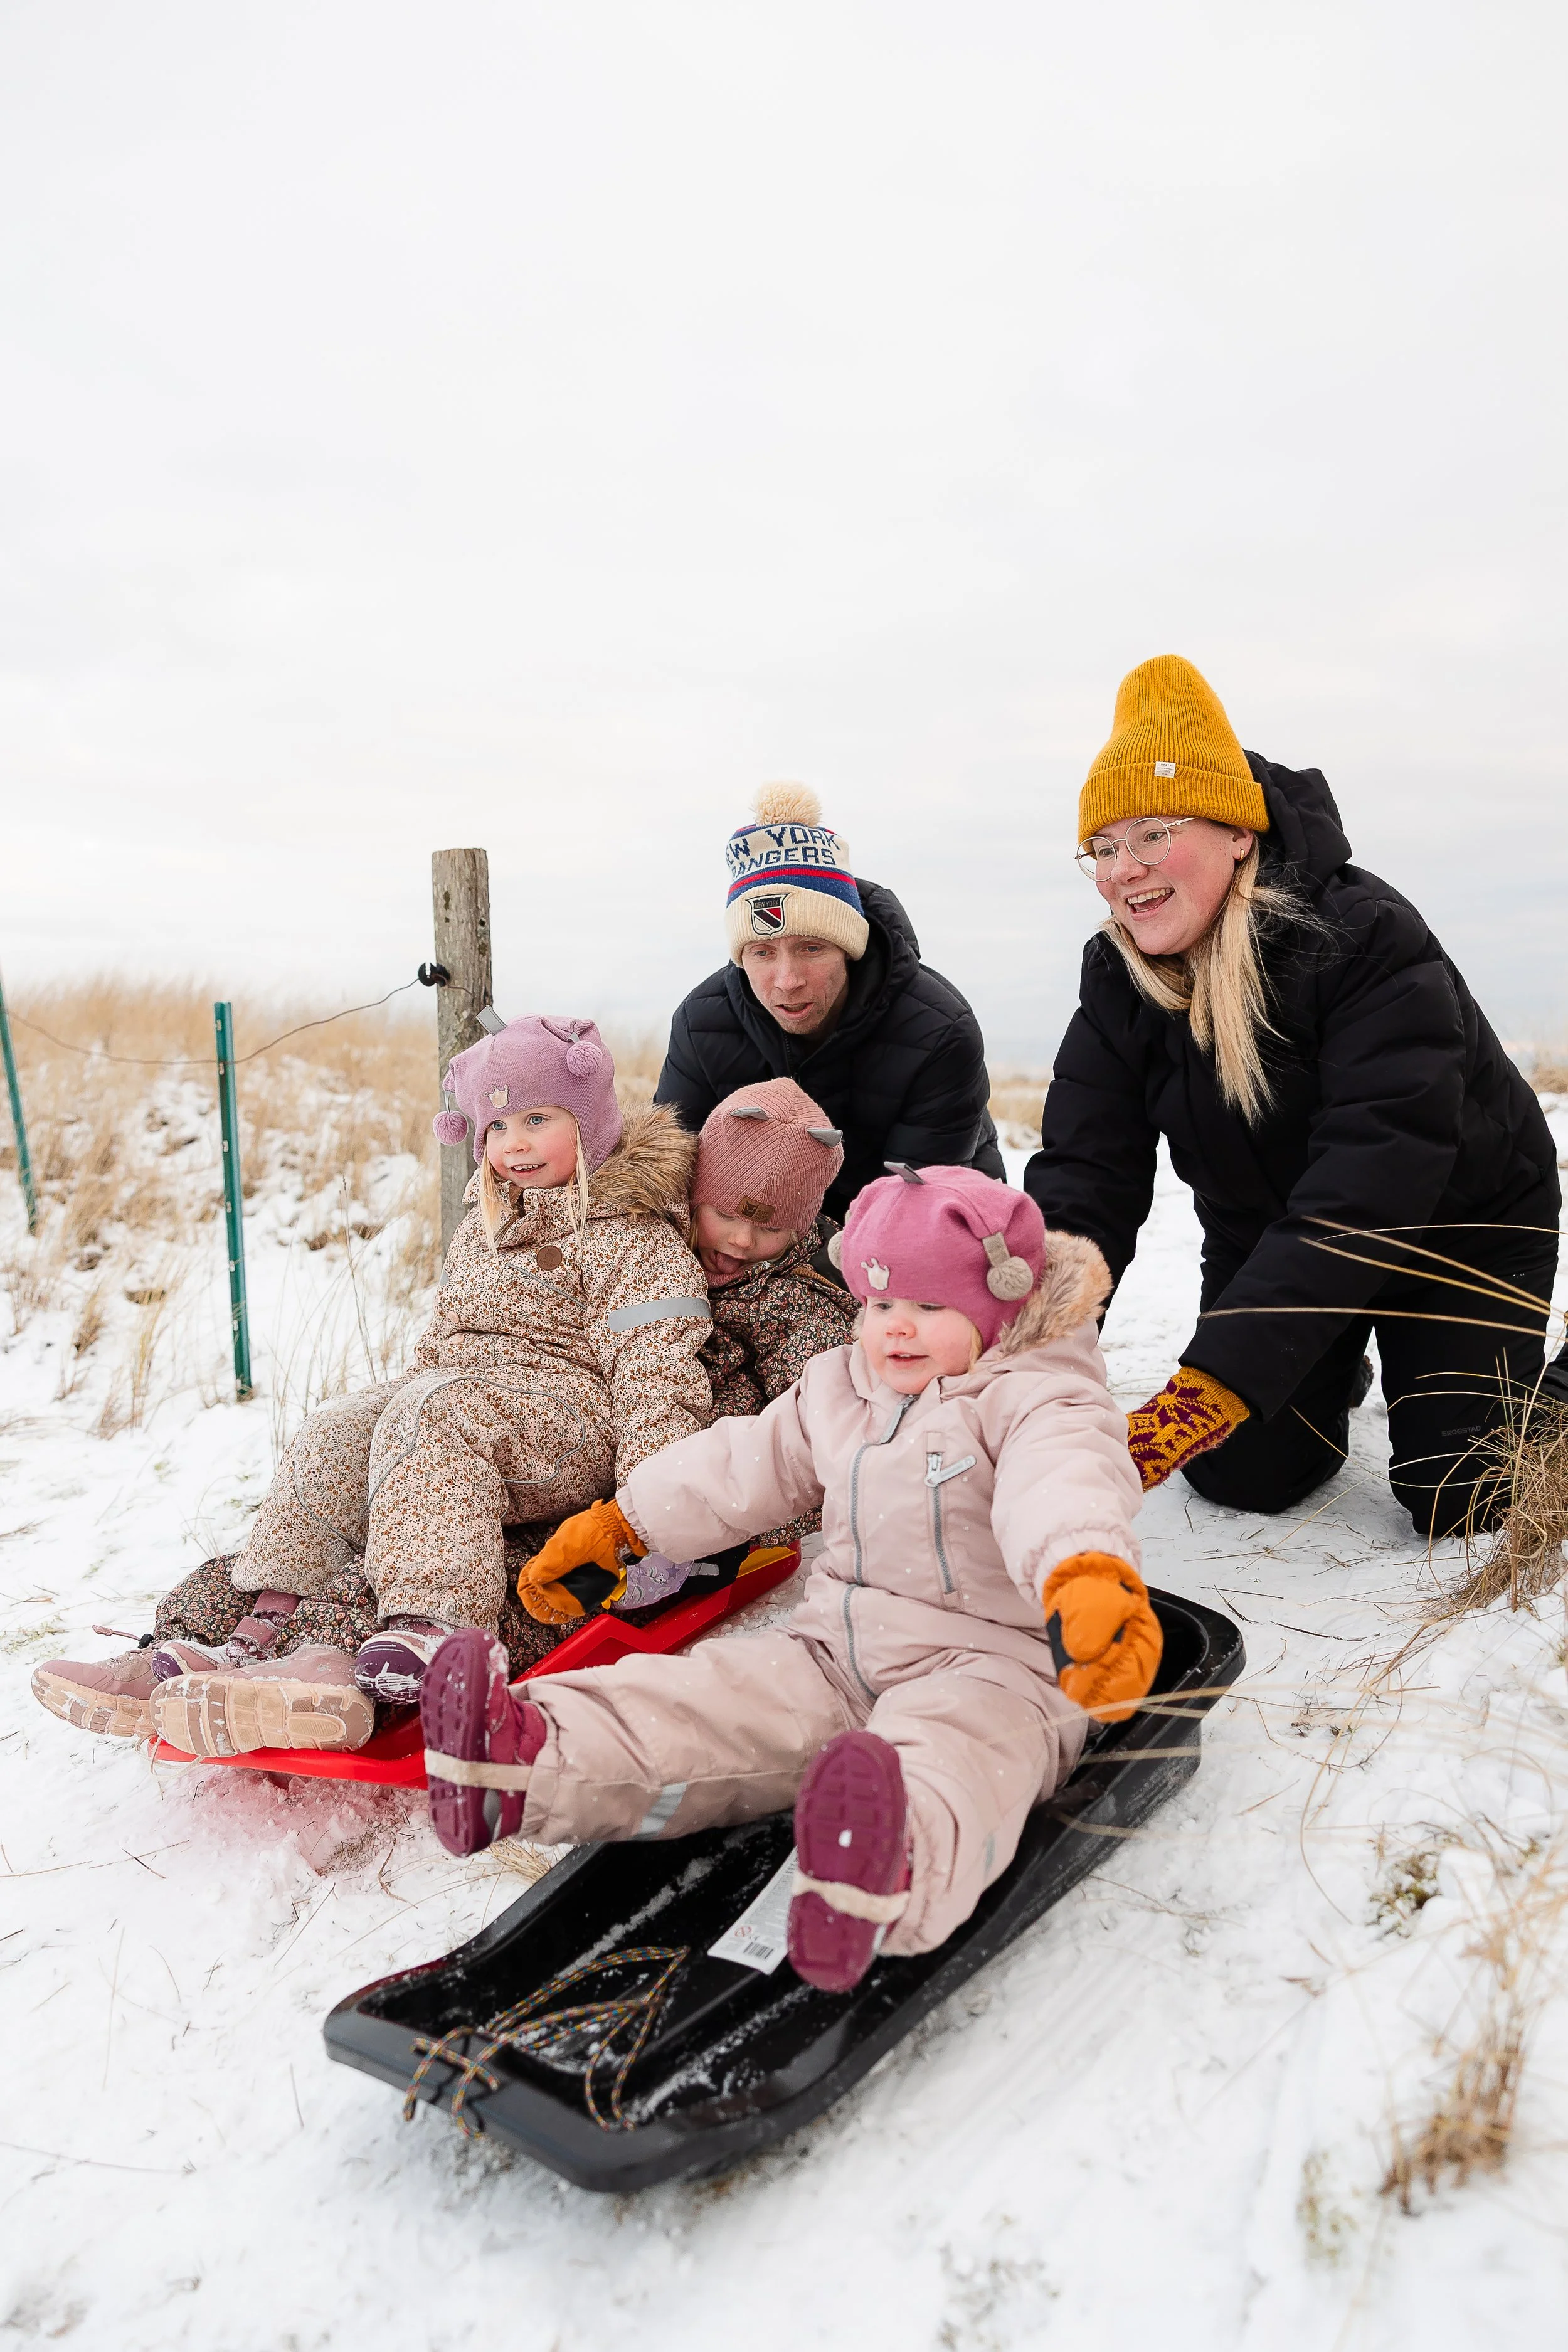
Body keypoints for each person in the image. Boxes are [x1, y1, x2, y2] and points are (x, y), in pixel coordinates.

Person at [415, 1166, 1157, 1994]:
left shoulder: (1039, 1401)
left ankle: (884, 1867)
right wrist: (628, 1525)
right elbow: (744, 1461)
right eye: (878, 1306)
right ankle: (524, 1758)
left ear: (998, 1303)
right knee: (711, 1700)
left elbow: (1063, 1487)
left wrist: (1086, 1577)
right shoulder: (843, 1386)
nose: (896, 1331)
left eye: (928, 1307)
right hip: (837, 1652)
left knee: (962, 1759)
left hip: (990, 1666)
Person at [32, 1018, 715, 1754]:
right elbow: (442, 1345)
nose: (514, 1143)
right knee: (345, 1420)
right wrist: (386, 1420)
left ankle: (437, 1626)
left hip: (574, 1420)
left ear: (593, 1120)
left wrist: (651, 1516)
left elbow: (658, 1374)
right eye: (496, 1127)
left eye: (538, 1120)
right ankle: (264, 1623)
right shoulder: (482, 1229)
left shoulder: (635, 1238)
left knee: (437, 1409)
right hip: (467, 1404)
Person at [1024, 654, 1560, 1537]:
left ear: (1238, 832)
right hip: (1270, 1233)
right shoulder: (1118, 976)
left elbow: (1373, 1184)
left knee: (1462, 1494)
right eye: (1105, 845)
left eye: (1156, 832)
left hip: (1457, 1231)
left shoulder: (1365, 939)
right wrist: (1027, 1345)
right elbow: (1087, 1170)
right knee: (1243, 1476)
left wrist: (1213, 1385)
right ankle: (1328, 1353)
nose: (1125, 869)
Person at [655, 783, 1004, 1222]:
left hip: (930, 1226)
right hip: (760, 1236)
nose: (787, 982)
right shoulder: (700, 1023)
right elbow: (670, 1181)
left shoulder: (938, 1031)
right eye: (763, 953)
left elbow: (915, 1209)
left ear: (849, 948)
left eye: (811, 949)